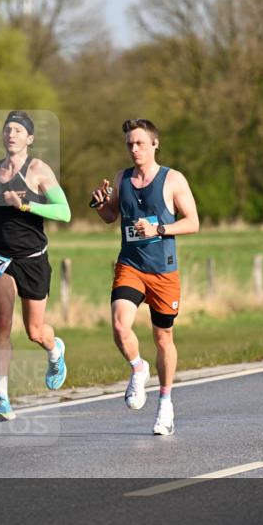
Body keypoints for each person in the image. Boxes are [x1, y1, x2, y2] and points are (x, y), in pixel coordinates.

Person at [89, 118, 199, 435]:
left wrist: (158, 228)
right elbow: (111, 216)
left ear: (154, 143)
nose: (134, 149)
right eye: (129, 144)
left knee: (163, 337)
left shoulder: (173, 180)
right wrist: (99, 206)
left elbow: (193, 222)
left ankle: (165, 404)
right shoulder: (121, 178)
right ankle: (138, 367)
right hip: (130, 264)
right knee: (120, 323)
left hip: (163, 270)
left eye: (139, 143)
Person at [0, 111, 72, 422]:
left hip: (33, 258)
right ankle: (1, 398)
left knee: (35, 331)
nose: (11, 134)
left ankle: (55, 351)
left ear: (29, 138)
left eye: (18, 130)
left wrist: (26, 204)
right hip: (0, 255)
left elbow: (64, 212)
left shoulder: (38, 170)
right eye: (7, 129)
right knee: (1, 322)